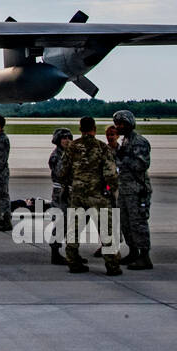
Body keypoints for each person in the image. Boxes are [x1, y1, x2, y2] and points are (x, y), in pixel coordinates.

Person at [58, 116, 121, 275]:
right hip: (98, 194)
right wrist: (110, 190)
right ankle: (112, 266)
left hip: (78, 193)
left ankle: (73, 263)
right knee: (106, 231)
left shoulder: (72, 147)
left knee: (74, 230)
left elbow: (62, 171)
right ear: (94, 129)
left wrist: (71, 184)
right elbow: (111, 174)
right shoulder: (102, 147)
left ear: (80, 129)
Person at [113, 110, 153, 270]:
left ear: (129, 123)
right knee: (125, 222)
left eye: (121, 124)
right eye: (117, 124)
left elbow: (141, 165)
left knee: (138, 223)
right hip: (125, 189)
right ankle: (133, 252)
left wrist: (121, 159)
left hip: (137, 190)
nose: (118, 127)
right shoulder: (126, 141)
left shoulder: (139, 142)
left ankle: (145, 256)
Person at [47, 128, 73, 265]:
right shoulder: (57, 156)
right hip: (60, 193)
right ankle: (55, 253)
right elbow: (61, 174)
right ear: (58, 140)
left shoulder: (68, 154)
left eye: (69, 138)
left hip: (69, 192)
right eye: (64, 138)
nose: (67, 140)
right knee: (60, 222)